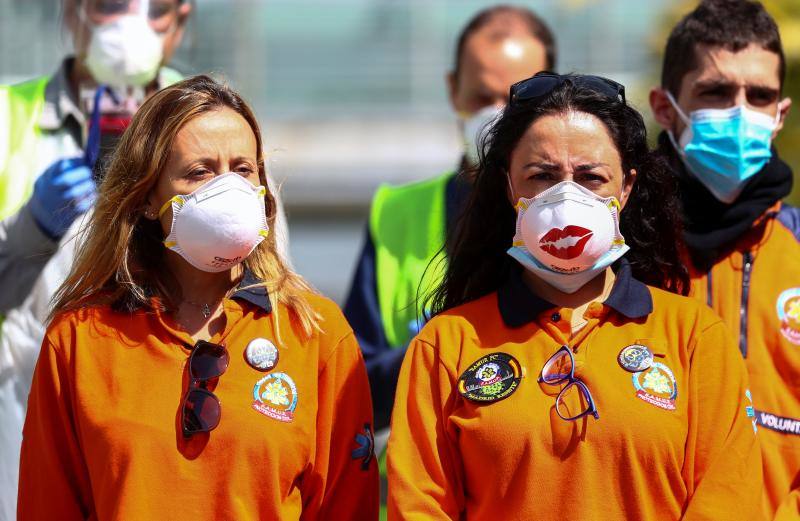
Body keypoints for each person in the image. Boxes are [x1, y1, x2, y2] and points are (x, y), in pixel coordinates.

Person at [387, 73, 762, 520]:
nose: (567, 196)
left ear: (625, 189)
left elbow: (728, 500)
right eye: (542, 175)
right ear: (510, 188)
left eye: (592, 177)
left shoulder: (695, 336)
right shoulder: (446, 344)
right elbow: (420, 507)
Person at [17, 75, 378, 520]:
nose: (227, 188)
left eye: (243, 169)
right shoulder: (77, 339)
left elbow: (348, 507)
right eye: (199, 172)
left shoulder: (316, 334)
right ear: (147, 197)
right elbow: (46, 504)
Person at [0, 2, 290, 515]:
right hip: (19, 431)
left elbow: (271, 301)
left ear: (183, 18)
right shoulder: (7, 121)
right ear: (71, 10)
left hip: (196, 444)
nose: (133, 24)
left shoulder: (221, 123)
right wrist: (26, 234)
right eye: (111, 4)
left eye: (157, 9)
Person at [345, 3, 555, 432]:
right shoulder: (396, 213)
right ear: (452, 89)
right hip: (421, 492)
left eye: (516, 98)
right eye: (483, 97)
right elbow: (355, 382)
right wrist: (454, 350)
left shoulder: (582, 218)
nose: (497, 116)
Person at [648, 1, 797, 518]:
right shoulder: (621, 252)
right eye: (715, 92)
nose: (741, 113)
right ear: (665, 108)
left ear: (780, 115)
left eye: (759, 96)